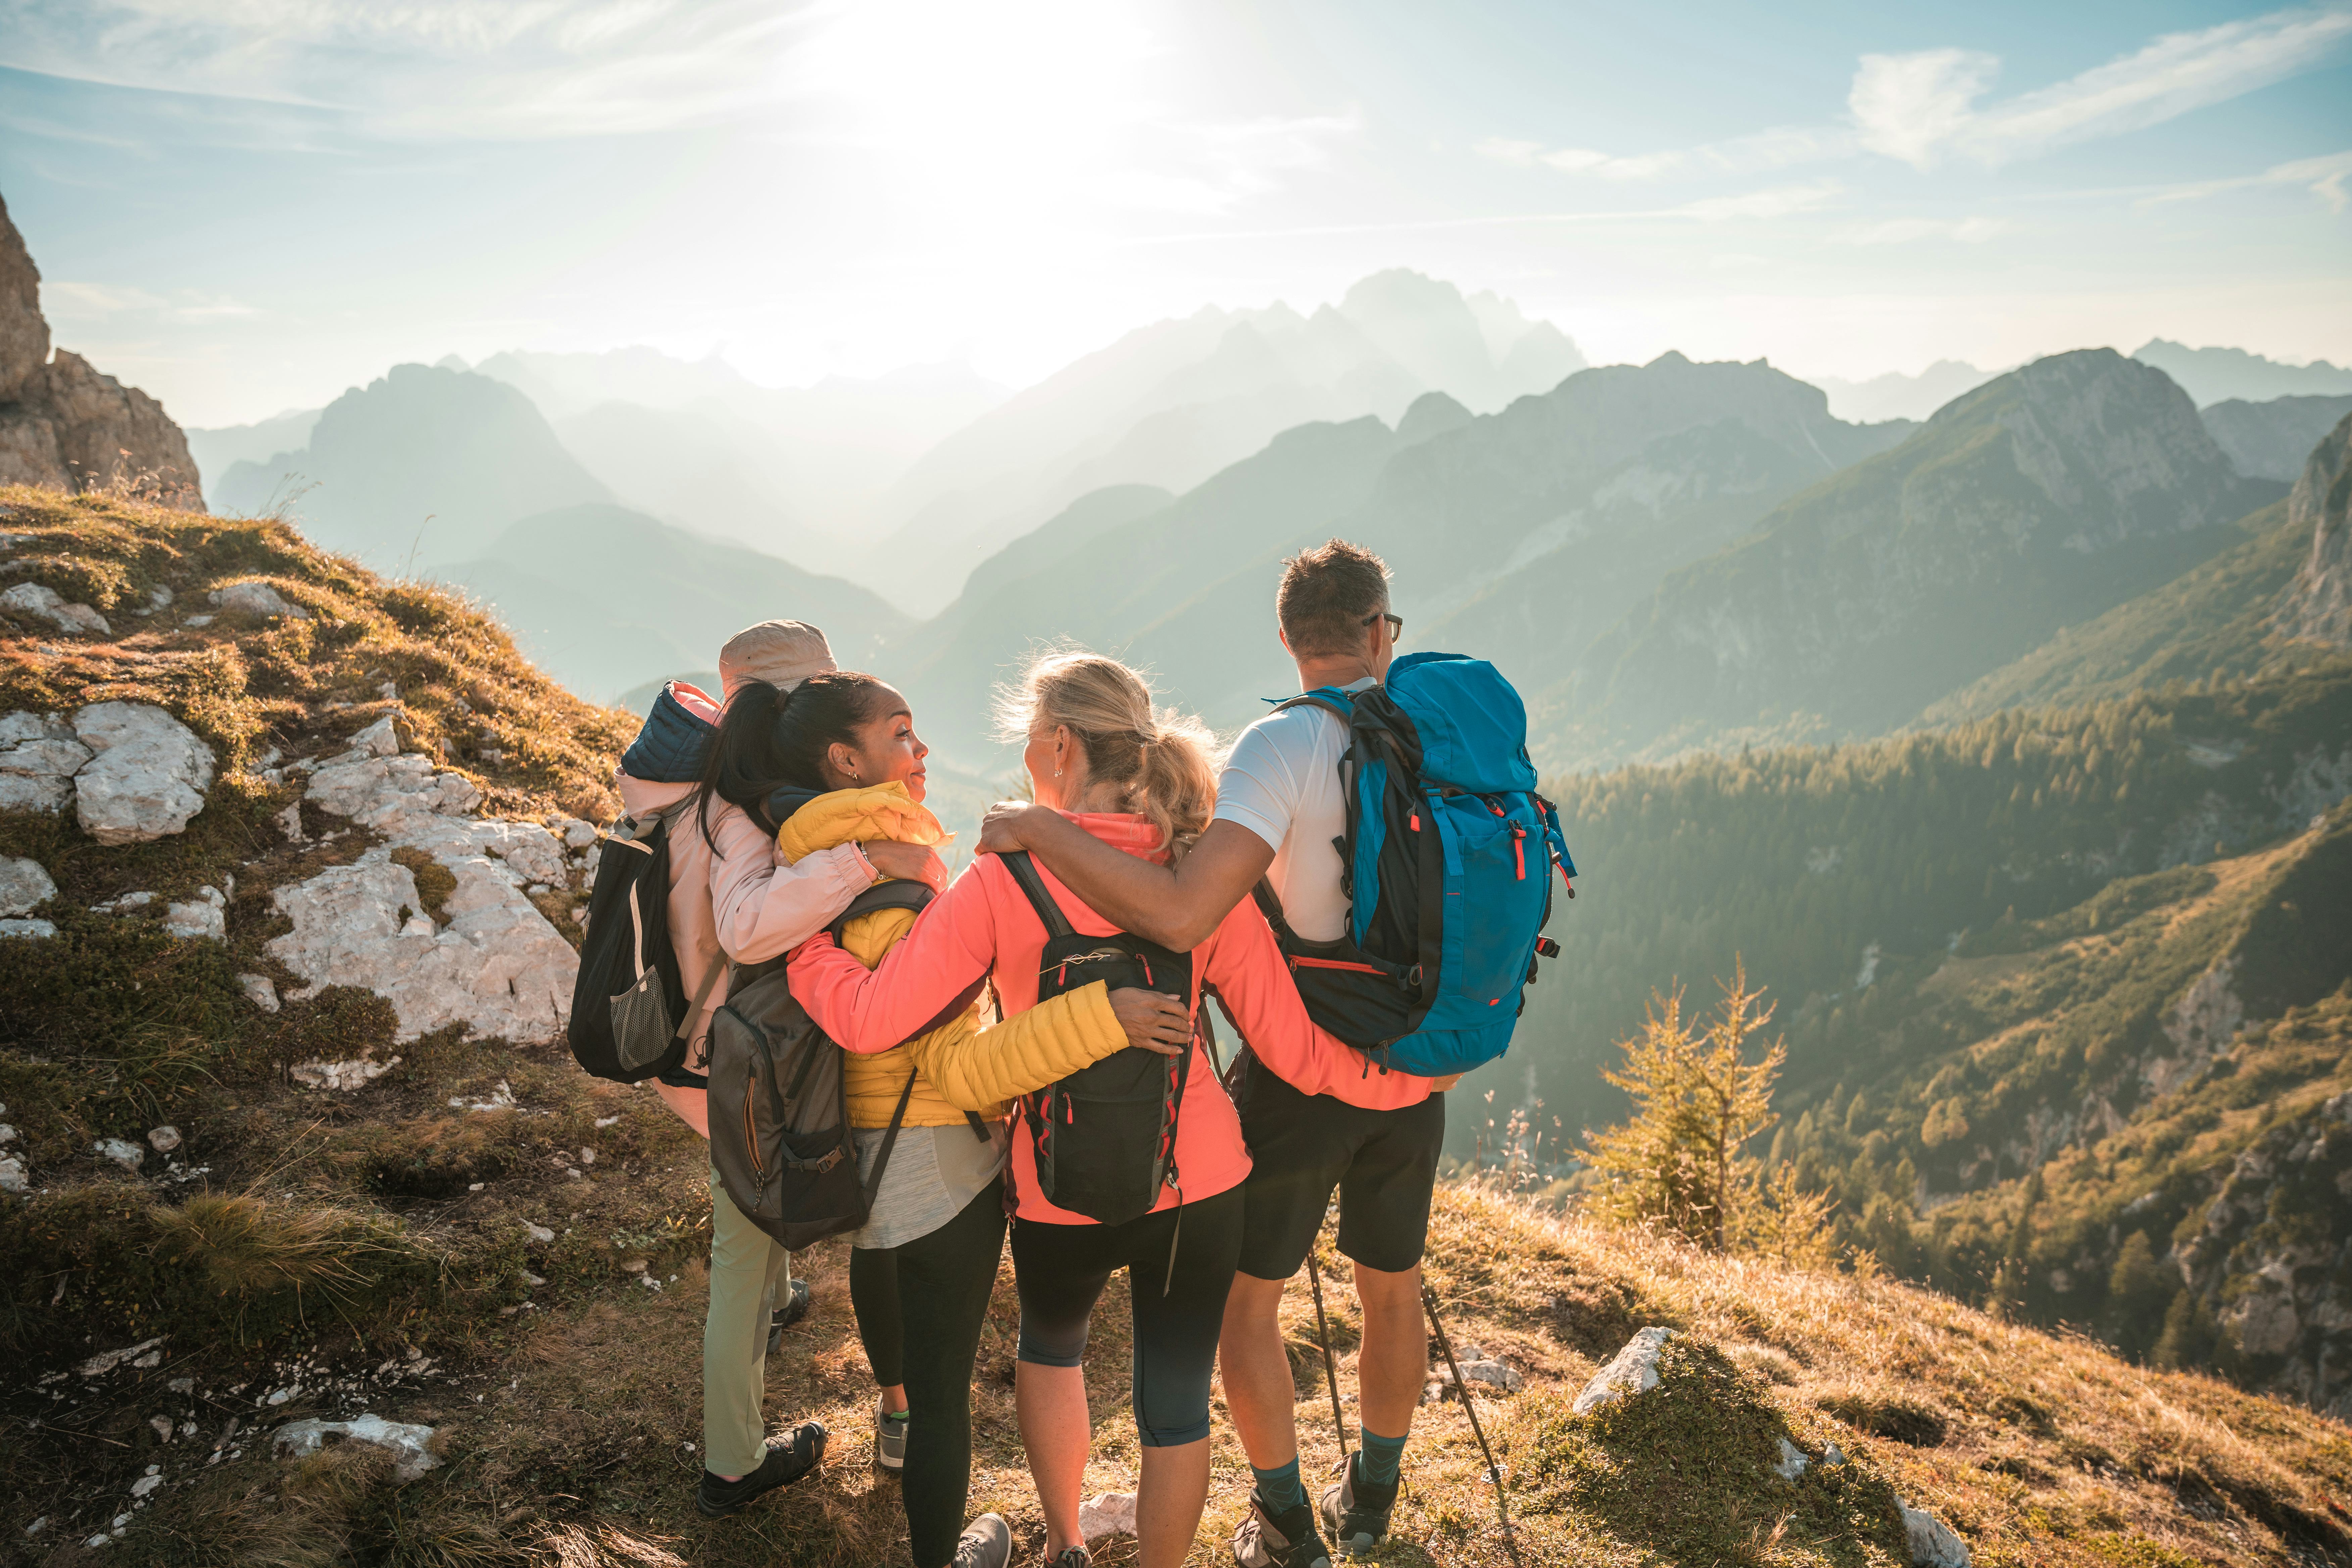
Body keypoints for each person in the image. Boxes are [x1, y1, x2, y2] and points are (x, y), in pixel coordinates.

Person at [789, 651, 1393, 1568]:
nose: (1027, 753)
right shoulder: (1201, 880)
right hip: (1199, 1183)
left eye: (1031, 737)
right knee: (1177, 1406)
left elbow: (874, 1021)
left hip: (1053, 1181)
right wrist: (1403, 1086)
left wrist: (804, 950)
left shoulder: (1001, 881)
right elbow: (1293, 1051)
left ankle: (1067, 1545)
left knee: (1054, 1350)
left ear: (1061, 746)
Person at [976, 544, 1448, 1566]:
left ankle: (1269, 1519)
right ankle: (1370, 1500)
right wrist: (1417, 1072)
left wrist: (1036, 834)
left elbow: (1188, 912)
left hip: (1258, 1099)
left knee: (1233, 1304)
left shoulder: (1278, 749)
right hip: (1412, 1067)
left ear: (1288, 638)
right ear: (1381, 631)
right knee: (1389, 1287)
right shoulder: (1440, 734)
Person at [699, 666, 1191, 1568]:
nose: (922, 752)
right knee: (943, 1398)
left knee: (888, 1306)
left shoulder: (807, 868)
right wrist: (1099, 1018)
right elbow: (959, 1070)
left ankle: (893, 1426)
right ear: (848, 761)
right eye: (901, 735)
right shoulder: (897, 889)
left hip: (849, 1147)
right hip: (934, 1160)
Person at [614, 621, 950, 1520]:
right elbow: (750, 930)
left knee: (751, 1237)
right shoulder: (737, 805)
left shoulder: (701, 783)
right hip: (732, 1061)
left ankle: (780, 1294)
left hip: (702, 1044)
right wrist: (863, 860)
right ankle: (732, 1463)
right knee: (739, 1246)